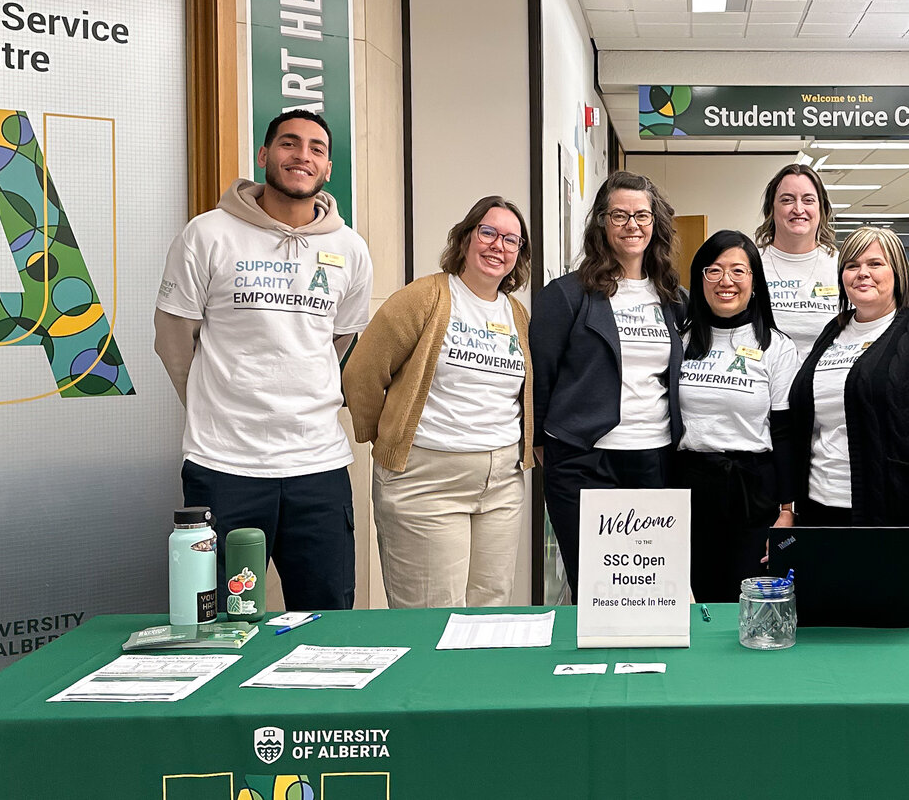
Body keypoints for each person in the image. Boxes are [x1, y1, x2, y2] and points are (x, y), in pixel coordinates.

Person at [154, 110, 371, 611]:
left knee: (326, 618)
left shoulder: (350, 249)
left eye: (316, 148)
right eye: (289, 144)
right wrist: (217, 402)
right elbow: (173, 340)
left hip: (318, 464)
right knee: (218, 618)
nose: (302, 156)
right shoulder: (207, 235)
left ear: (328, 168)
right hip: (224, 464)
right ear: (264, 155)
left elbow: (340, 340)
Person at [341, 197, 532, 609]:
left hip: (501, 484)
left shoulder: (518, 314)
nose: (498, 245)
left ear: (519, 255)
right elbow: (362, 372)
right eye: (488, 232)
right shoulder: (425, 297)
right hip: (426, 483)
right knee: (432, 613)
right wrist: (383, 436)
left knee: (491, 610)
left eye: (511, 240)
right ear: (465, 240)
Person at [785, 226, 909, 601]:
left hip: (899, 510)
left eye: (875, 263)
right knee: (838, 615)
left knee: (896, 618)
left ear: (898, 271)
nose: (862, 273)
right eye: (852, 265)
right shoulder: (834, 332)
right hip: (824, 505)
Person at [530, 171, 685, 597]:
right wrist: (546, 445)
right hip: (583, 460)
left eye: (641, 215)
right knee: (595, 586)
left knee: (646, 583)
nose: (631, 225)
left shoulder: (673, 298)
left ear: (655, 223)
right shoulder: (566, 295)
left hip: (654, 457)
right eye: (619, 215)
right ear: (601, 222)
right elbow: (540, 378)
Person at [674, 230, 800, 602]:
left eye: (737, 271)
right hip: (690, 488)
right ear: (699, 280)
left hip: (754, 493)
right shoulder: (680, 341)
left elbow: (785, 432)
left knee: (748, 598)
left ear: (754, 281)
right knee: (700, 597)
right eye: (713, 271)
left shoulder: (777, 347)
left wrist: (788, 510)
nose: (725, 281)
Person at [756, 163, 840, 360]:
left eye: (808, 200)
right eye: (787, 200)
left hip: (823, 384)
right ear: (771, 208)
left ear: (821, 208)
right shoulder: (751, 264)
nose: (798, 209)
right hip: (764, 382)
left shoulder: (841, 266)